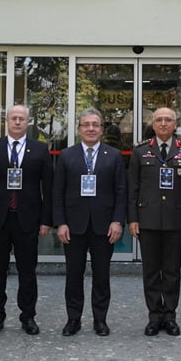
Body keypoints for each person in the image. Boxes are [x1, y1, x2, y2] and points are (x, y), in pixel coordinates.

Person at [0, 104, 53, 335]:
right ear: (6, 121)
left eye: (22, 119)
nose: (17, 122)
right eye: (13, 118)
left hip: (27, 219)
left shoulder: (40, 149)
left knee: (27, 271)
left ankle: (28, 316)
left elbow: (48, 187)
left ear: (28, 122)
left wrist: (46, 220)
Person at [127, 107, 181, 336]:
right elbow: (133, 189)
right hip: (147, 220)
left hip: (175, 220)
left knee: (171, 271)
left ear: (175, 124)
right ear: (153, 124)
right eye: (159, 120)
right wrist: (132, 219)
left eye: (168, 120)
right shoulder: (140, 152)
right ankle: (154, 316)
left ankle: (170, 316)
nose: (163, 124)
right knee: (150, 271)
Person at [54, 108, 126, 336]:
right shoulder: (67, 155)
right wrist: (60, 223)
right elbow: (57, 192)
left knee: (101, 275)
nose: (91, 128)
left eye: (95, 124)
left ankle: (100, 320)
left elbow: (121, 191)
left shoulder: (113, 155)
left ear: (102, 129)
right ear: (79, 129)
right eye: (86, 124)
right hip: (73, 226)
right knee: (73, 275)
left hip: (104, 226)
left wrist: (117, 221)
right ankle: (73, 319)